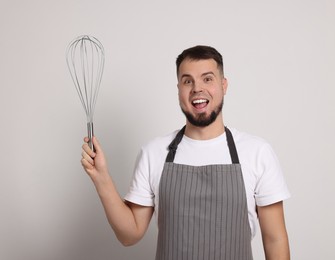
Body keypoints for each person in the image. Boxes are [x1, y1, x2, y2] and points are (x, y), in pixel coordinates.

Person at [81, 45, 291, 260]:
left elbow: (275, 239)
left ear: (223, 85)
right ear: (179, 88)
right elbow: (129, 234)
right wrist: (102, 178)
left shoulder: (257, 152)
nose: (197, 88)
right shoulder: (154, 153)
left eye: (207, 79)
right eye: (187, 80)